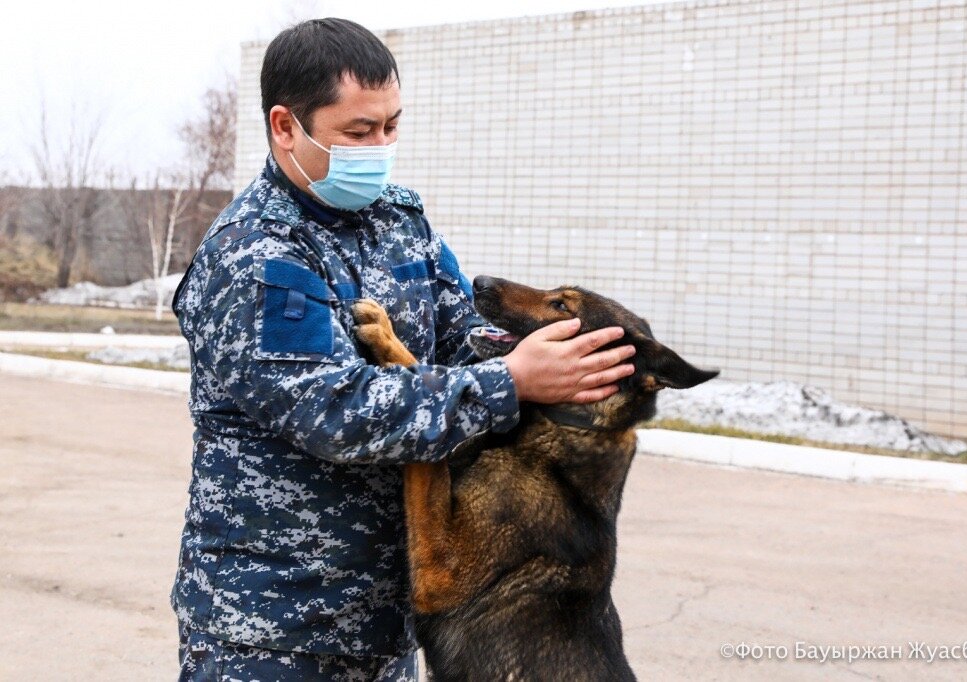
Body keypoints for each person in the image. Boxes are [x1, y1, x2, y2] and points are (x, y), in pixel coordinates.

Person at [171, 17, 636, 681]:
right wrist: (509, 383)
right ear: (285, 127)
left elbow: (460, 337)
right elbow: (333, 411)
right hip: (274, 631)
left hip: (392, 621)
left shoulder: (400, 219)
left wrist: (563, 359)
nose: (381, 146)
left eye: (392, 125)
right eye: (359, 132)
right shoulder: (258, 256)